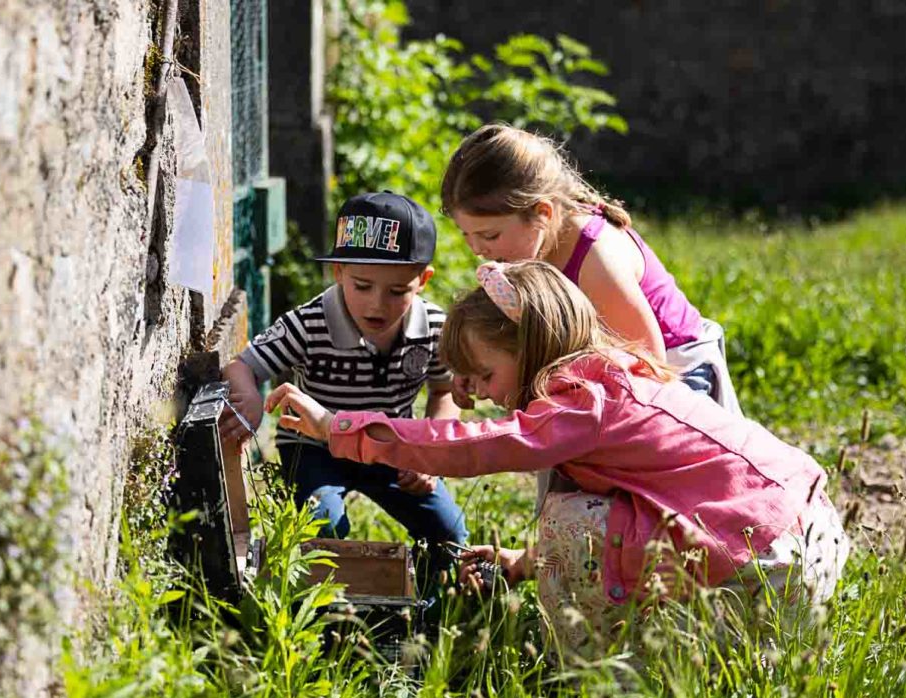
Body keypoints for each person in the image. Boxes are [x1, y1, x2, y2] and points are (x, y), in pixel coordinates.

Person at [264, 260, 849, 653]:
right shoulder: (609, 379)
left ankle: (600, 672)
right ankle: (709, 649)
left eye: (487, 374)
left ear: (533, 346)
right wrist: (523, 562)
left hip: (770, 560)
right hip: (800, 533)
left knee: (569, 521)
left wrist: (340, 427)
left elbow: (477, 445)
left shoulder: (582, 403)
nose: (485, 394)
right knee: (581, 517)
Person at [220, 191, 469, 586]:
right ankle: (332, 607)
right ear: (338, 272)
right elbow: (241, 366)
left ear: (422, 280)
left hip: (392, 448)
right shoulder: (308, 324)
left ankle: (427, 608)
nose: (377, 305)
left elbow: (444, 391)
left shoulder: (435, 328)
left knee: (450, 533)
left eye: (397, 291)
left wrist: (428, 456)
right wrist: (249, 397)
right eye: (363, 285)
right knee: (323, 526)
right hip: (316, 450)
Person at [440, 123, 740, 415]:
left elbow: (647, 368)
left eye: (489, 235)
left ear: (542, 213)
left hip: (676, 374)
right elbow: (520, 334)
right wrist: (477, 363)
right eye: (465, 233)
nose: (477, 249)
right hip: (605, 373)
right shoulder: (525, 251)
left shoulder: (596, 261)